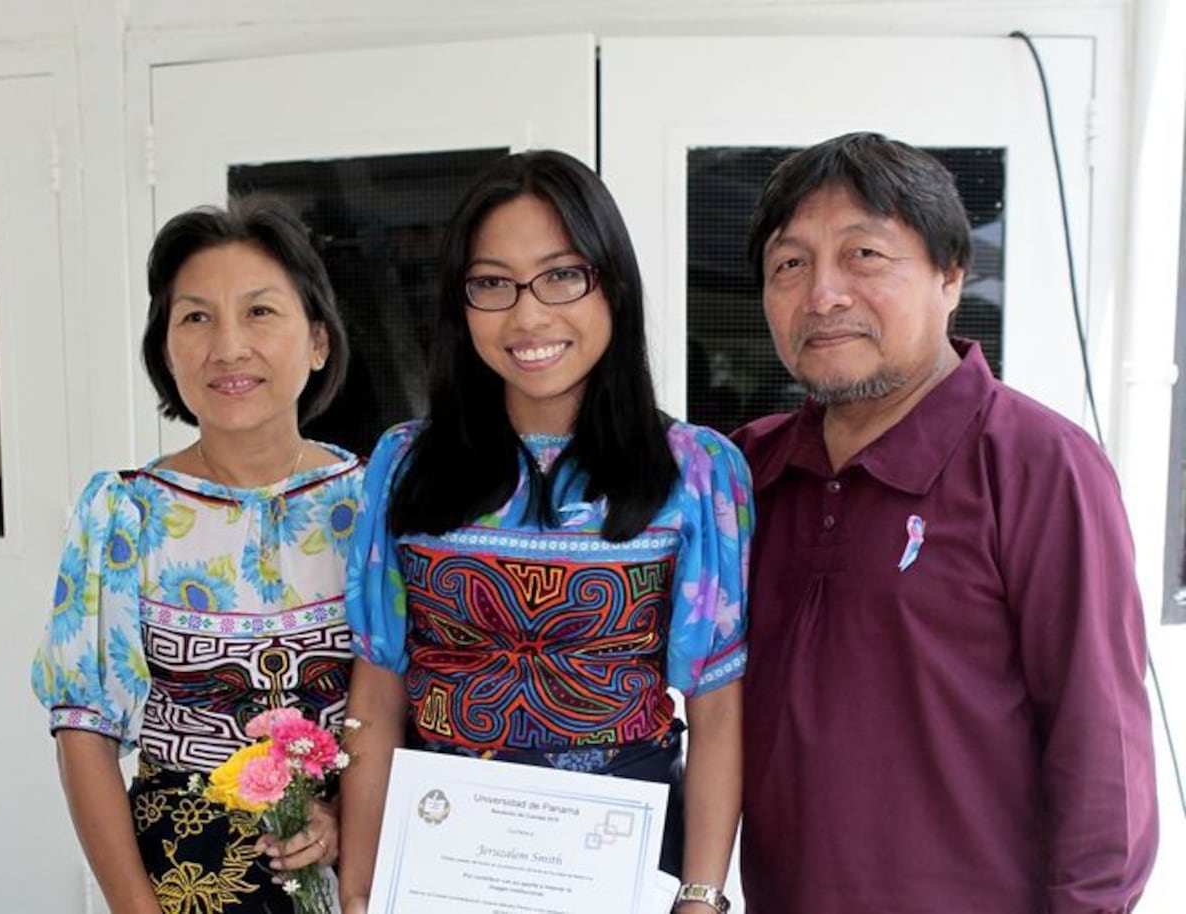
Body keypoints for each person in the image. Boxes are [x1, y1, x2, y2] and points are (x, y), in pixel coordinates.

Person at [732, 131, 1158, 913]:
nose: (823, 294)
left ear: (951, 274)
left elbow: (1104, 757)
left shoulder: (1036, 464)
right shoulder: (747, 472)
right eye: (790, 264)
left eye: (863, 255)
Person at [338, 150, 752, 914]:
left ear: (613, 286)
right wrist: (358, 890)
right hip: (439, 866)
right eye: (492, 283)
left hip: (622, 869)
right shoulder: (403, 465)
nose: (528, 316)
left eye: (562, 275)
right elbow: (378, 689)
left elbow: (718, 706)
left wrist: (700, 897)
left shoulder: (694, 473)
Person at [31, 196, 364, 913]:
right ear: (165, 351)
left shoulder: (374, 507)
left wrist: (342, 820)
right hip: (180, 875)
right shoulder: (122, 514)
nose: (228, 347)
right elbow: (83, 734)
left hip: (355, 866)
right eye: (196, 317)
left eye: (260, 312)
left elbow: (406, 704)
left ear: (318, 340)